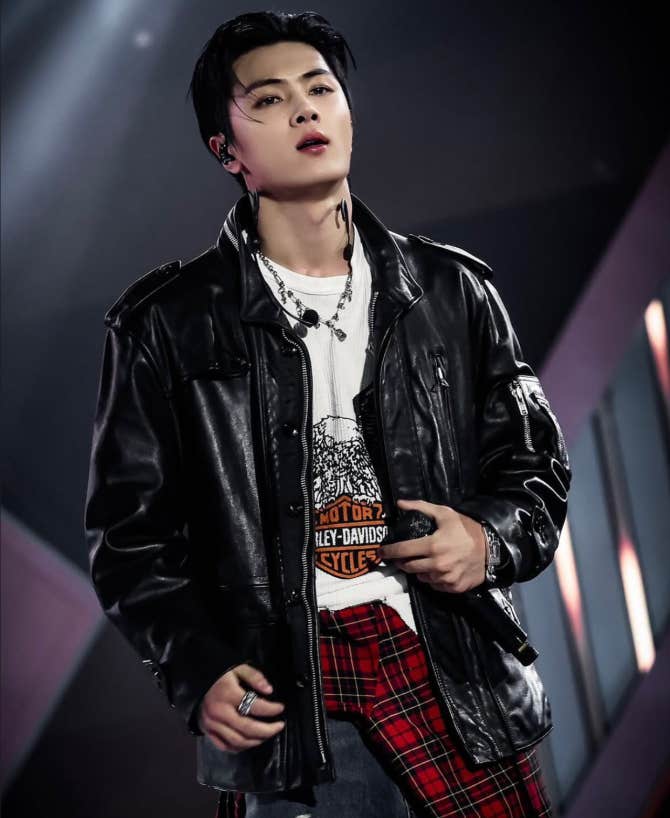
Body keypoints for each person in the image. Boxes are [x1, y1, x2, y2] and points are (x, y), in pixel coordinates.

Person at [84, 10, 572, 818]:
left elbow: (536, 469)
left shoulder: (453, 291)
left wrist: (486, 539)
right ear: (227, 150)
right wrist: (197, 668)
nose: (306, 109)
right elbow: (130, 539)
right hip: (290, 690)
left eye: (320, 89)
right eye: (269, 100)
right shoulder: (164, 324)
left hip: (451, 668)